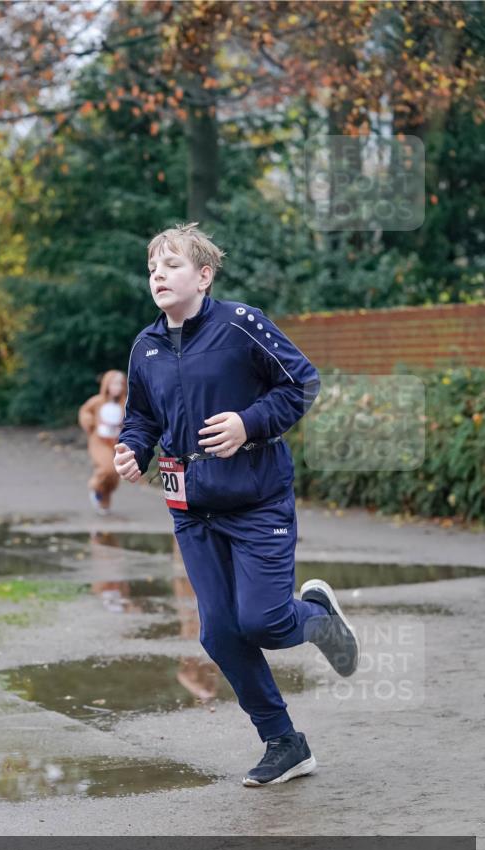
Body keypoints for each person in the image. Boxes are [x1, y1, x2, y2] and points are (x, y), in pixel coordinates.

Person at [114, 222, 360, 787]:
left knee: (265, 620)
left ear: (203, 276)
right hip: (189, 508)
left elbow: (301, 383)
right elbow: (143, 417)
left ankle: (318, 619)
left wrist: (248, 423)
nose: (158, 274)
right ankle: (284, 743)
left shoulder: (238, 324)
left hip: (256, 501)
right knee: (220, 633)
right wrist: (131, 450)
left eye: (172, 265)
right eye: (152, 267)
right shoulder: (145, 346)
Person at [78, 369, 127, 514]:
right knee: (107, 468)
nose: (117, 387)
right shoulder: (97, 401)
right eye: (114, 384)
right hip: (99, 440)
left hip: (116, 442)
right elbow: (84, 411)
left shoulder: (126, 403)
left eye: (120, 384)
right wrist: (89, 421)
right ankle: (95, 487)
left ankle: (103, 499)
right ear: (106, 385)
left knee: (115, 475)